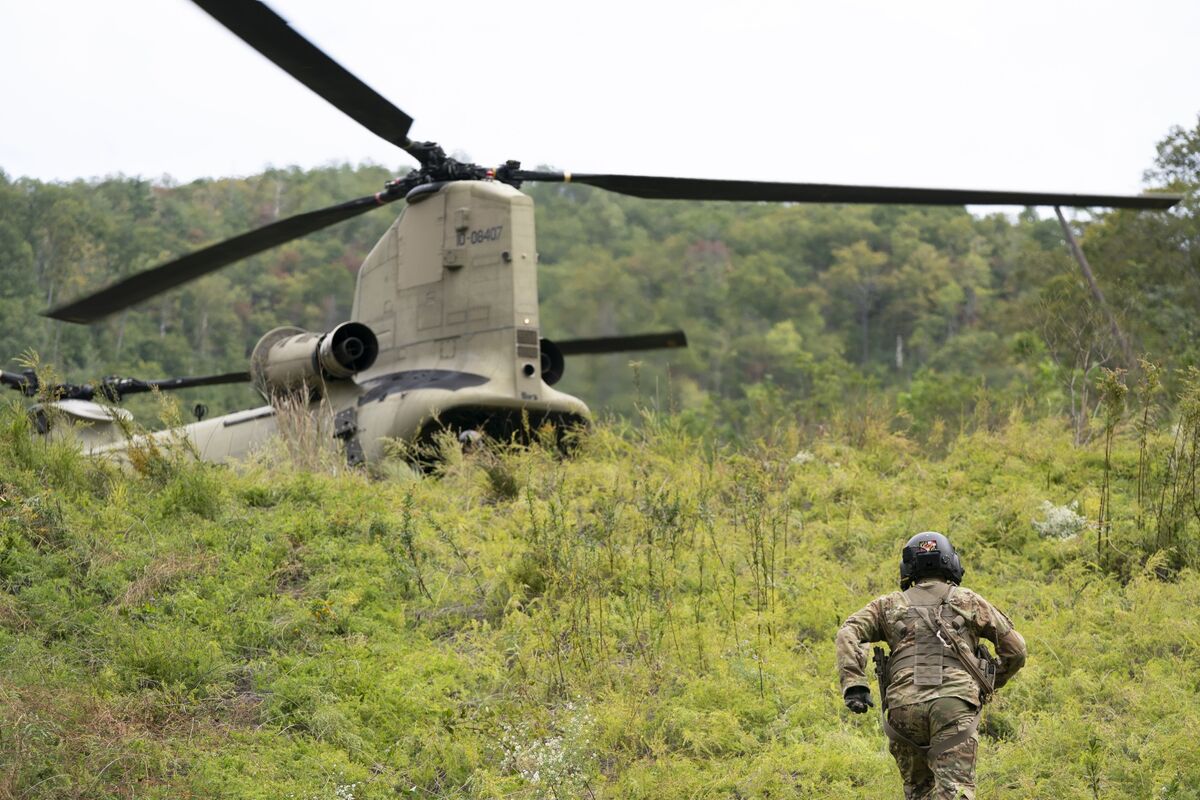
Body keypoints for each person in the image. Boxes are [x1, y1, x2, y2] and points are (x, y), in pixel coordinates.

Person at [834, 532, 1026, 800]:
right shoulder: (969, 600)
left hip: (903, 709)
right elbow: (1016, 651)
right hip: (953, 705)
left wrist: (855, 683)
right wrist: (991, 682)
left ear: (909, 567)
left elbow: (848, 632)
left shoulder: (888, 604)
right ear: (950, 563)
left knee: (919, 793)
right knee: (954, 792)